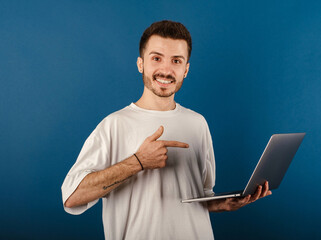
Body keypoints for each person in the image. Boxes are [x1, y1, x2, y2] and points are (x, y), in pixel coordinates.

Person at [61, 20, 271, 240]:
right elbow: (72, 197)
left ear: (186, 69)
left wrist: (223, 203)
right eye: (156, 58)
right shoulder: (114, 125)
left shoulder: (198, 123)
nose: (166, 70)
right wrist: (138, 162)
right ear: (140, 64)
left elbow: (200, 197)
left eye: (176, 61)